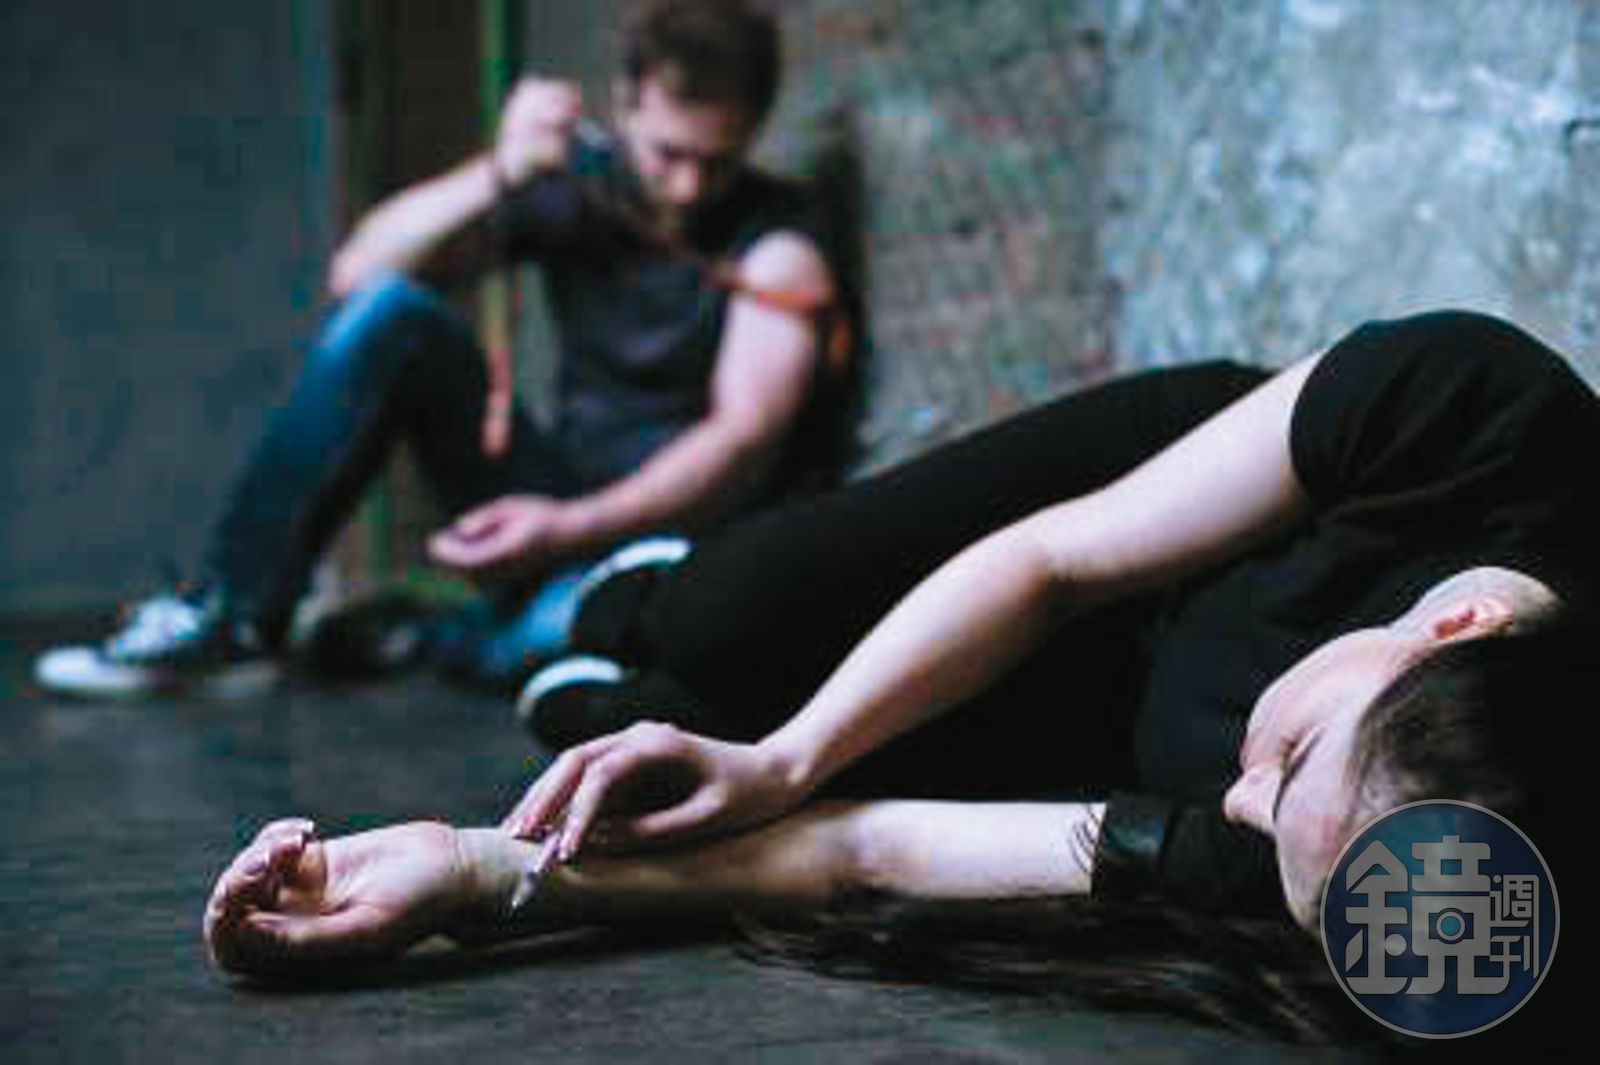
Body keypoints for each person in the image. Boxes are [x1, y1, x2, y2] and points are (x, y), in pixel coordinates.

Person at [201, 311, 1597, 1039]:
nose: (1242, 807)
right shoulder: (1483, 419)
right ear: (1458, 629)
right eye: (1287, 761)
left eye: (1273, 834)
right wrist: (785, 759)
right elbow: (1056, 560)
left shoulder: (1350, 863)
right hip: (1125, 536)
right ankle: (621, 591)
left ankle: (548, 656)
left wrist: (482, 874)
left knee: (643, 737)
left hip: (1108, 719)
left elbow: (863, 851)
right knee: (723, 622)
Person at [36, 0, 848, 697]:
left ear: (752, 130)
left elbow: (740, 443)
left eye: (717, 162)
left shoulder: (778, 245)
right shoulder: (582, 188)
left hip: (662, 546)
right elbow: (357, 275)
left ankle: (418, 633)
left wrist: (566, 527)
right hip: (551, 495)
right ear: (625, 103)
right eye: (669, 155)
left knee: (571, 640)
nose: (688, 188)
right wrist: (501, 170)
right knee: (393, 313)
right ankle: (233, 616)